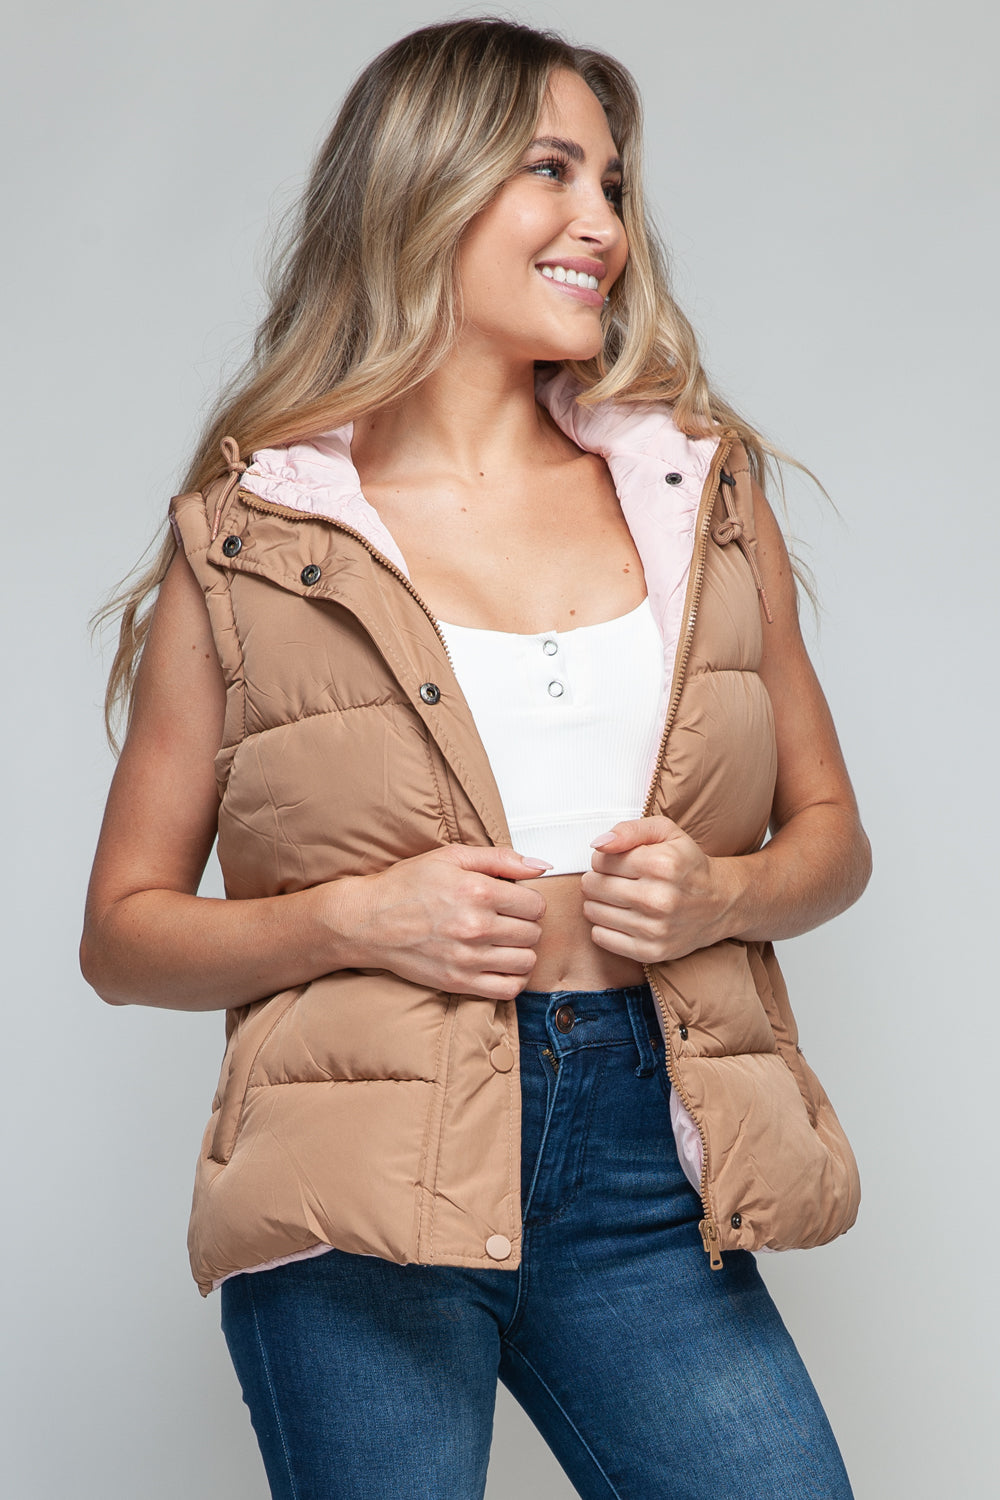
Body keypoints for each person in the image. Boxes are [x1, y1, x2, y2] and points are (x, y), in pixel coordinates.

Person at [81, 17, 871, 1499]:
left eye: (614, 184)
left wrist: (718, 895)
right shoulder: (256, 541)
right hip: (361, 1172)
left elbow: (832, 835)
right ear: (424, 185)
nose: (603, 223)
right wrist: (355, 918)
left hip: (648, 1152)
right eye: (551, 171)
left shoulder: (695, 493)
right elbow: (122, 937)